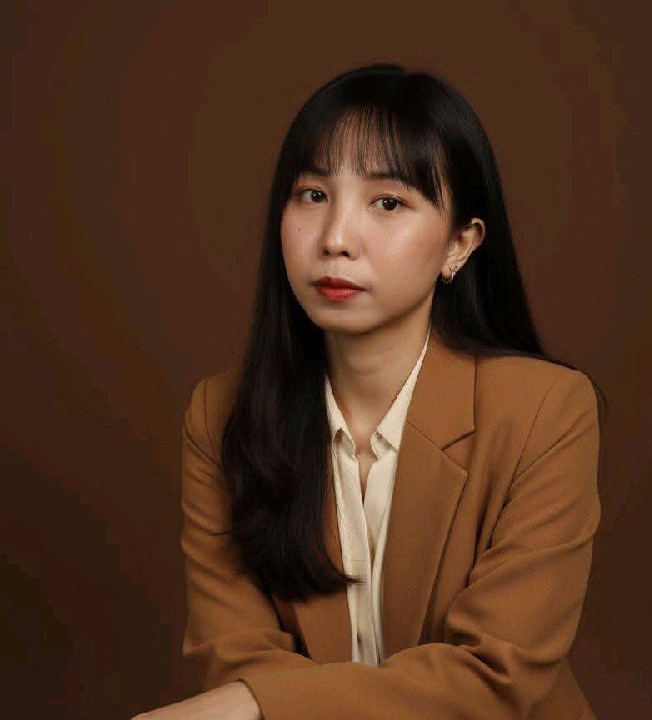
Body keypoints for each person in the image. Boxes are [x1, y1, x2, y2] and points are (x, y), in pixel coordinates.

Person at [133, 62, 605, 720]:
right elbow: (238, 658)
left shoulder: (546, 412)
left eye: (388, 203)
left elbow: (495, 677)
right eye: (312, 195)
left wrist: (261, 705)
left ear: (460, 245)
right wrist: (255, 699)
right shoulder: (221, 418)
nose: (335, 240)